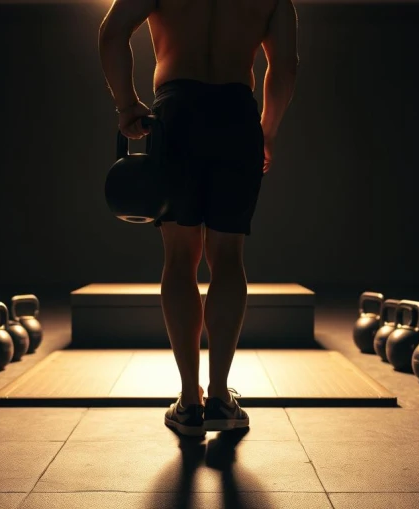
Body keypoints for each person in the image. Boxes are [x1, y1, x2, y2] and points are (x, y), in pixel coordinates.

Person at [98, 0, 299, 436]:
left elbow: (112, 34)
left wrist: (127, 105)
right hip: (236, 114)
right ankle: (221, 398)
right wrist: (266, 129)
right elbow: (284, 67)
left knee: (178, 257)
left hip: (177, 114)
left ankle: (190, 402)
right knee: (228, 257)